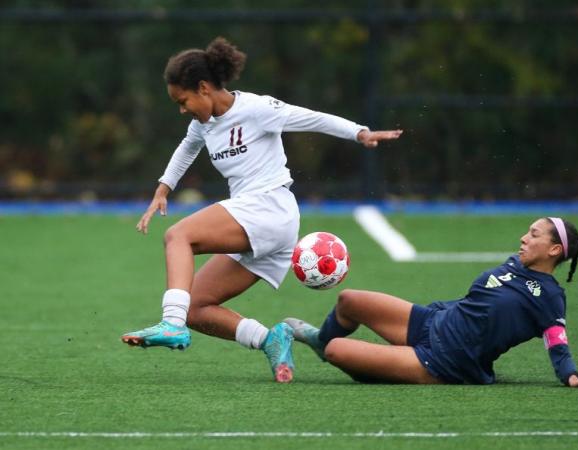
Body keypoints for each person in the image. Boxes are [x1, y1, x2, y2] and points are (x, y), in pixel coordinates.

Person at [120, 36, 403, 383]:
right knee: (196, 307)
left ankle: (171, 324)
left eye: (183, 101)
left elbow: (310, 118)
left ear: (204, 88)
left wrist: (359, 133)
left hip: (268, 206)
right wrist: (163, 191)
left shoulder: (256, 108)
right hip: (261, 223)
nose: (183, 109)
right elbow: (186, 149)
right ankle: (270, 338)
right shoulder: (202, 124)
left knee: (179, 235)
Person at [285, 217, 578, 387]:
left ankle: (390, 366)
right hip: (433, 322)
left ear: (554, 250)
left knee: (337, 352)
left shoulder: (550, 296)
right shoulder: (514, 263)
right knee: (348, 300)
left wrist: (571, 376)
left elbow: (557, 341)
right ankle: (319, 337)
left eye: (535, 235)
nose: (525, 238)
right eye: (528, 232)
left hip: (448, 362)